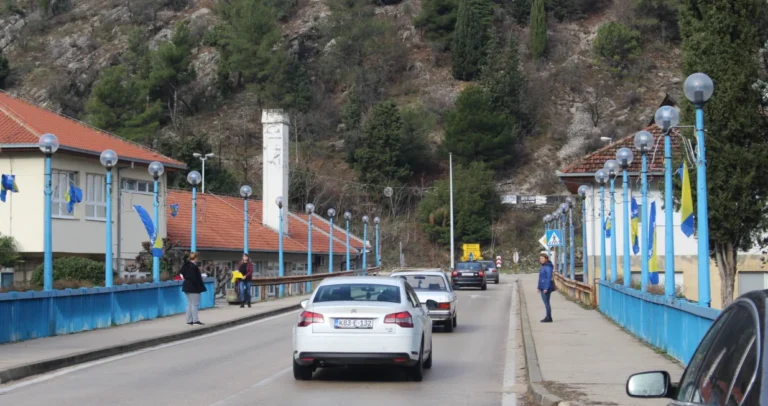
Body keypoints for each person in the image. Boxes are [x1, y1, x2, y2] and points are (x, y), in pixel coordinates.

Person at [181, 252, 207, 325]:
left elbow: (182, 274)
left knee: (189, 304)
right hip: (194, 287)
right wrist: (201, 277)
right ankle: (195, 320)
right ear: (195, 258)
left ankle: (189, 320)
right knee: (195, 304)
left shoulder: (185, 266)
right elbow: (194, 278)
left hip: (186, 286)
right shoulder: (194, 267)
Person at [537, 252, 555, 323]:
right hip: (542, 286)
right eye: (540, 258)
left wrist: (546, 288)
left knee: (546, 303)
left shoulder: (548, 267)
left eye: (542, 258)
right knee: (546, 303)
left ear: (546, 259)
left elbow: (548, 278)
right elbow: (541, 278)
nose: (541, 260)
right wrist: (538, 287)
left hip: (546, 287)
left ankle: (548, 317)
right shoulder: (543, 266)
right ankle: (548, 316)